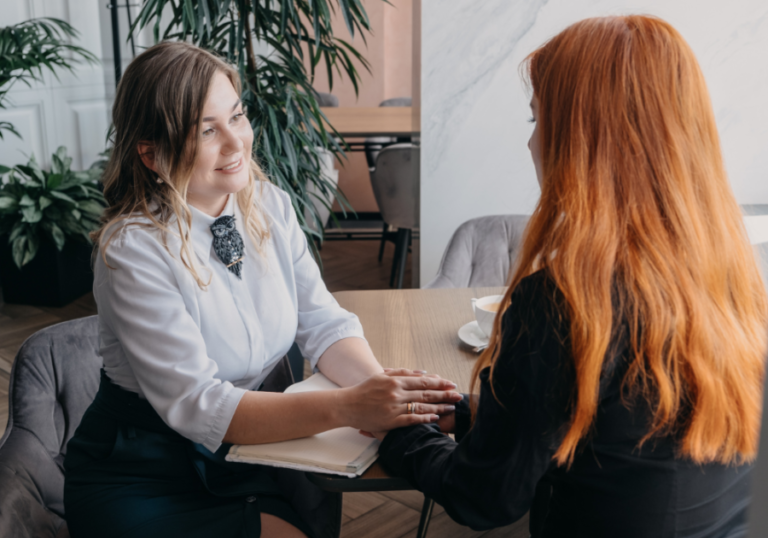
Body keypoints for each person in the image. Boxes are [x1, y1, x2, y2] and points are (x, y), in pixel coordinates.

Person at [373, 15, 768, 538]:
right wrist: (474, 415)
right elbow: (623, 437)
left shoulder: (566, 305)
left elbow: (483, 498)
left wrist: (403, 439)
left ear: (585, 144)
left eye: (538, 121)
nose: (531, 145)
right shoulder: (735, 282)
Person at [63, 42, 461, 538]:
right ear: (151, 153)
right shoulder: (132, 251)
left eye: (237, 116)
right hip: (145, 468)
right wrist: (351, 406)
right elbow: (199, 404)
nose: (236, 144)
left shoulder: (268, 203)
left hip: (258, 444)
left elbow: (323, 323)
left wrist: (380, 396)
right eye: (207, 130)